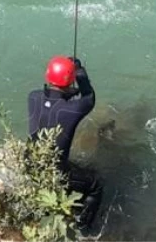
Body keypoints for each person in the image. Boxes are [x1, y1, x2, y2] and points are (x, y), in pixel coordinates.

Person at [28, 55, 103, 229]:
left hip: (31, 166)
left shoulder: (32, 97)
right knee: (95, 186)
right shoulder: (73, 109)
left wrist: (70, 84)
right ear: (69, 81)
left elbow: (51, 99)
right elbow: (89, 97)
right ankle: (84, 228)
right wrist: (79, 71)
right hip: (56, 174)